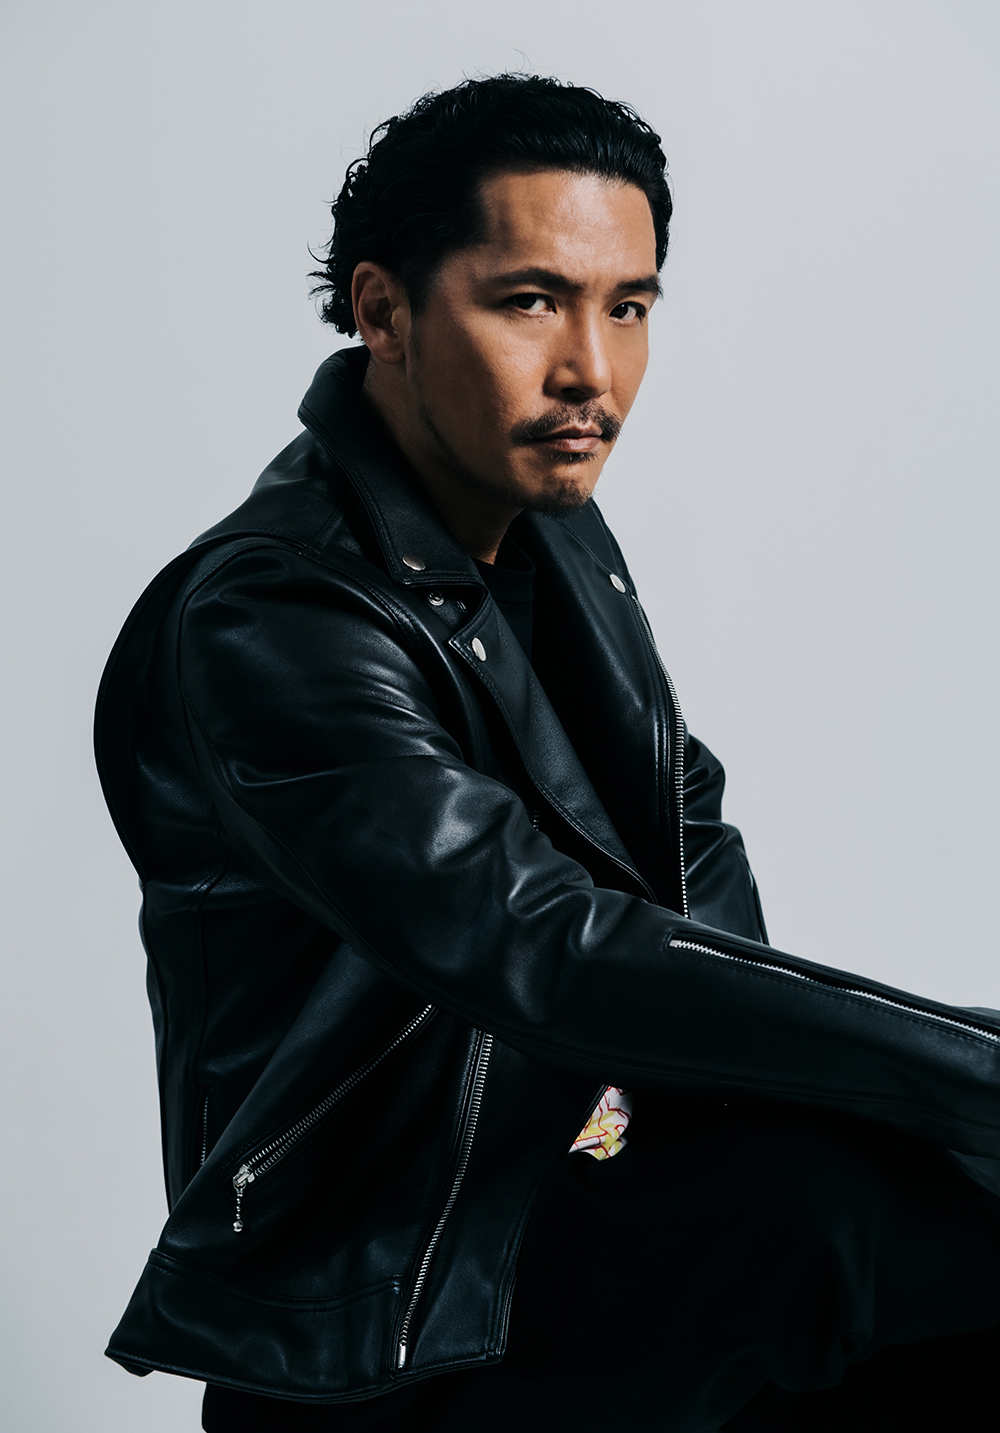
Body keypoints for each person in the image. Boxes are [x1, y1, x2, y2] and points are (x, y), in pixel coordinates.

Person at [95, 75, 1000, 1432]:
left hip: (580, 1200)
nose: (591, 369)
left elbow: (683, 840)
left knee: (922, 1205)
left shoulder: (549, 529)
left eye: (628, 307)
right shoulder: (274, 613)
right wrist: (964, 1069)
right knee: (868, 1225)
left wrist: (853, 1104)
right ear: (383, 311)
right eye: (531, 301)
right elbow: (538, 939)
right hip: (393, 1294)